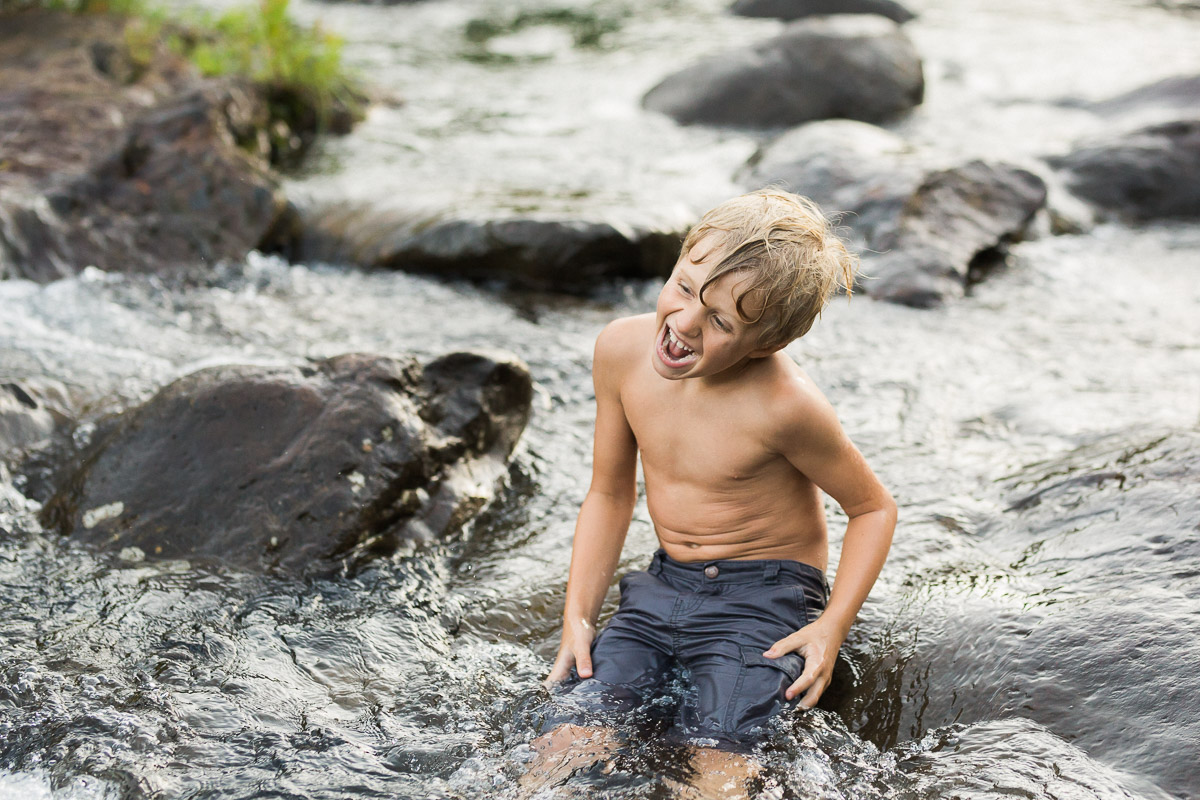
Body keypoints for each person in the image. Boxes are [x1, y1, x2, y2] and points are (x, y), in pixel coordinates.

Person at [525, 189, 897, 798]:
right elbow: (610, 493)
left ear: (766, 344)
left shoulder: (786, 406)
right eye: (683, 286)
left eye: (721, 321)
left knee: (718, 763)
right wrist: (578, 616)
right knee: (566, 741)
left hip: (763, 599)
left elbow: (874, 508)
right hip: (662, 585)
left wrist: (832, 625)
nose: (684, 322)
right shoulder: (620, 351)